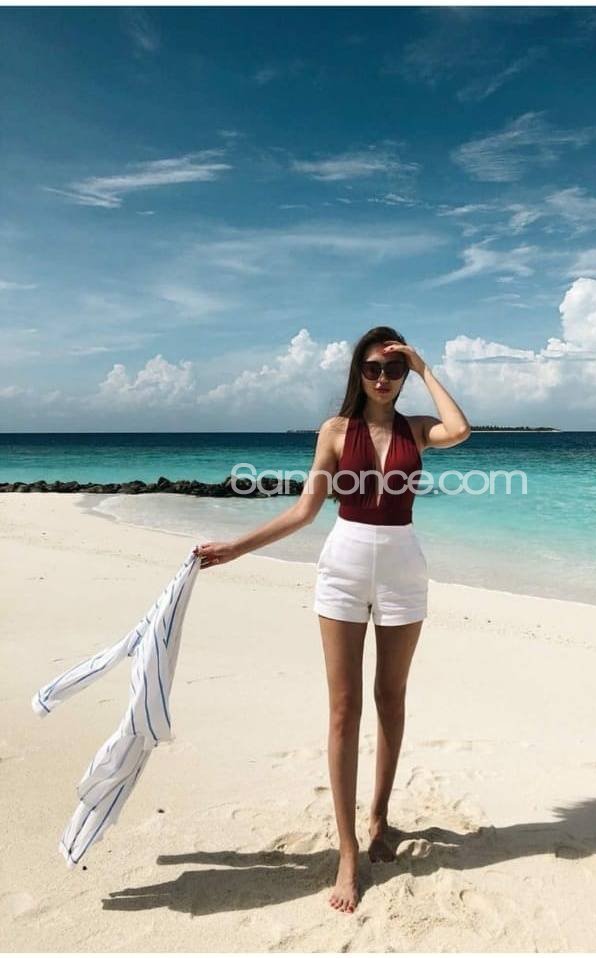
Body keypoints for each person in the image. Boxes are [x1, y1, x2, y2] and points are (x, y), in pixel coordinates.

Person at [193, 326, 471, 912]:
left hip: (403, 568)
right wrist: (237, 548)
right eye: (372, 368)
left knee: (391, 699)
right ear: (357, 373)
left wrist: (424, 366)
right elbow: (305, 510)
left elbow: (462, 428)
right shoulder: (335, 432)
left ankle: (380, 818)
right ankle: (347, 851)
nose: (382, 378)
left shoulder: (417, 430)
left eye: (392, 369)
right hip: (343, 566)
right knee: (344, 708)